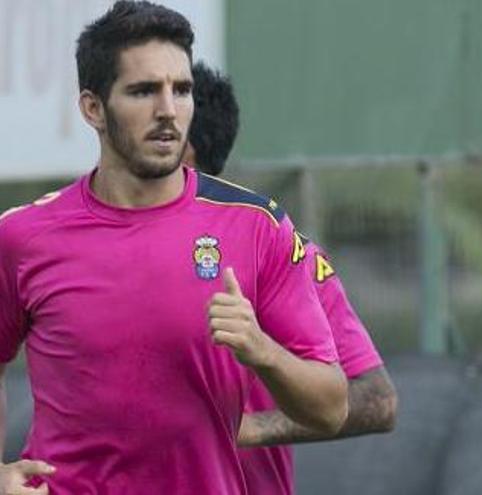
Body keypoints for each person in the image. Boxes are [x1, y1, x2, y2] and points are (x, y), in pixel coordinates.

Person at [0, 2, 348, 493]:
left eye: (180, 90)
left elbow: (333, 409)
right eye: (144, 91)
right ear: (93, 108)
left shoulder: (257, 226)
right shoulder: (22, 235)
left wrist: (262, 350)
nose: (168, 110)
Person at [184, 62, 398, 495]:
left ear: (184, 148)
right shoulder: (87, 243)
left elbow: (379, 400)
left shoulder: (276, 247)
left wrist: (250, 428)